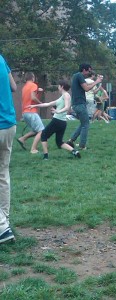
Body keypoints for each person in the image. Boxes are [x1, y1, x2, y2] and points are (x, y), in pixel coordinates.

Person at [27, 80, 81, 160]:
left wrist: (57, 111)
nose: (58, 87)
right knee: (59, 142)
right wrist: (34, 106)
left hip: (57, 120)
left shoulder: (66, 95)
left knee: (44, 135)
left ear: (62, 86)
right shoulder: (62, 97)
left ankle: (46, 156)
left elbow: (67, 107)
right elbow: (48, 104)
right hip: (62, 122)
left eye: (59, 86)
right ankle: (74, 151)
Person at [0, 54, 17, 244]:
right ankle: (4, 222)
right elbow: (13, 87)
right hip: (8, 124)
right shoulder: (2, 58)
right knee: (2, 174)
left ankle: (2, 227)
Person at [66, 63, 103, 150]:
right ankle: (82, 145)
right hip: (79, 104)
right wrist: (97, 81)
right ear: (84, 70)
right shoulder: (79, 76)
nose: (89, 73)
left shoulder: (76, 76)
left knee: (83, 123)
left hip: (77, 104)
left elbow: (86, 87)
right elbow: (86, 88)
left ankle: (71, 140)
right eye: (88, 71)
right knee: (86, 124)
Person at [17, 72, 44, 154]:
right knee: (41, 131)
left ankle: (22, 139)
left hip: (25, 112)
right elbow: (33, 98)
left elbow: (30, 99)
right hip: (31, 112)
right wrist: (41, 103)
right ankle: (33, 149)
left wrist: (39, 92)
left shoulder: (24, 87)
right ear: (33, 77)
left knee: (35, 130)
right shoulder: (33, 85)